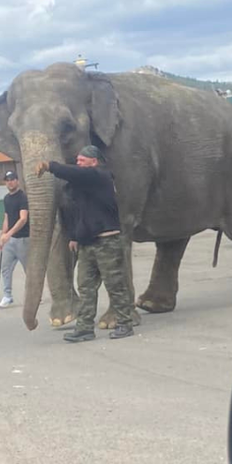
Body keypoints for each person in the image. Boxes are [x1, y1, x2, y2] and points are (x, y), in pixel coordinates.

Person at [34, 145, 134, 341]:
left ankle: (125, 323)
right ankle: (85, 327)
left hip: (107, 240)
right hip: (87, 243)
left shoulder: (99, 176)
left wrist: (50, 165)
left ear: (94, 162)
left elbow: (71, 172)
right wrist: (74, 237)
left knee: (114, 284)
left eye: (82, 160)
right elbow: (77, 212)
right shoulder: (81, 186)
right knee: (85, 287)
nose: (78, 163)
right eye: (77, 160)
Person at [0, 171, 29, 308]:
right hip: (10, 241)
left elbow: (23, 219)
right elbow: (7, 218)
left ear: (17, 181)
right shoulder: (6, 199)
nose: (10, 182)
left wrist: (9, 234)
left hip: (23, 239)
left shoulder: (22, 197)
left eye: (12, 179)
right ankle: (7, 296)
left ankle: (33, 295)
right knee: (5, 268)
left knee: (29, 270)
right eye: (7, 180)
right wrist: (2, 236)